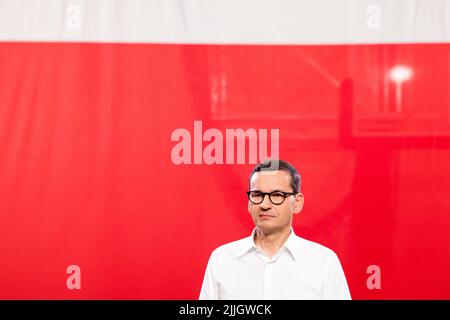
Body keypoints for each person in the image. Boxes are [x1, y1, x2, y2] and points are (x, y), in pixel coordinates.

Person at [199, 159, 351, 300]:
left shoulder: (323, 262)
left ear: (297, 202)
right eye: (257, 195)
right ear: (249, 203)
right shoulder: (222, 259)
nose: (265, 204)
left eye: (277, 195)